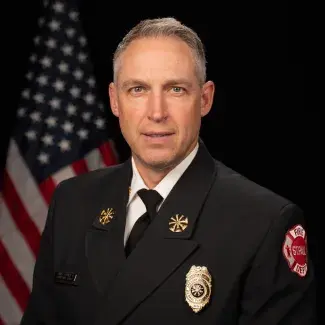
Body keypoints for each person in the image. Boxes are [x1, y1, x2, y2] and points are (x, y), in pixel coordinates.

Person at [20, 17, 316, 325]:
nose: (157, 112)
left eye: (175, 89)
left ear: (204, 99)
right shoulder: (73, 201)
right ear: (114, 100)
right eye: (138, 89)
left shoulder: (264, 223)